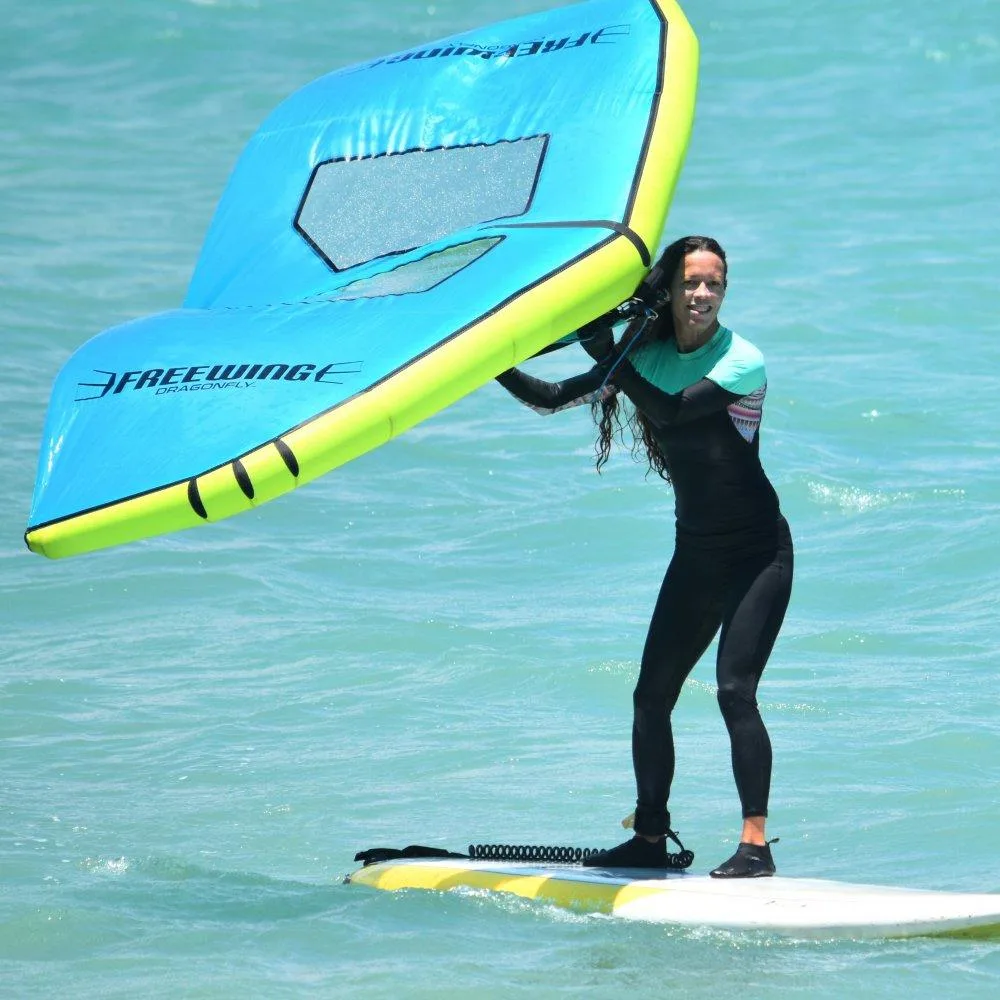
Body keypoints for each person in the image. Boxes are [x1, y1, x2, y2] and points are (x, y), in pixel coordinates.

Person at [495, 235, 793, 878]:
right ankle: (650, 840)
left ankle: (756, 846)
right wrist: (485, 360)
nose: (703, 294)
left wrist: (612, 357)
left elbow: (671, 412)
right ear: (670, 290)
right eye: (691, 282)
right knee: (650, 695)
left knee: (735, 691)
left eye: (714, 283)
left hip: (757, 553)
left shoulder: (740, 360)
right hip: (697, 552)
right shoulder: (648, 353)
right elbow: (549, 398)